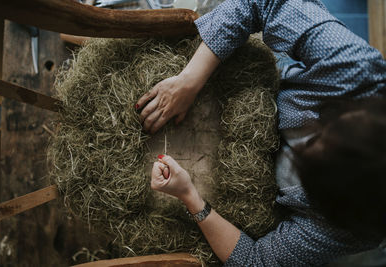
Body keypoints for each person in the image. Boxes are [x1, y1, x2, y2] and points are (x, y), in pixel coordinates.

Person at [138, 0, 386, 265]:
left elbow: (255, 261)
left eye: (310, 161)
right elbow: (261, 3)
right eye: (321, 132)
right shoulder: (358, 70)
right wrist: (189, 81)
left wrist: (191, 197)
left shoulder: (355, 229)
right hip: (249, 91)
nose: (305, 143)